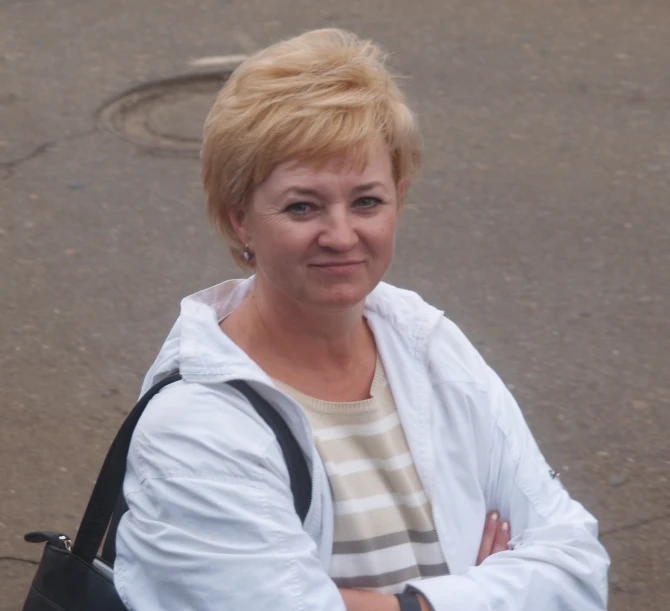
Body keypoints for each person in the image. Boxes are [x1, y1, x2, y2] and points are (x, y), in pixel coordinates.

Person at [114, 28, 609, 611]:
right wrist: (472, 594)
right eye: (303, 205)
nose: (342, 235)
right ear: (240, 219)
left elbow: (575, 567)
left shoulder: (425, 343)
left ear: (399, 197)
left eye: (367, 201)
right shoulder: (192, 426)